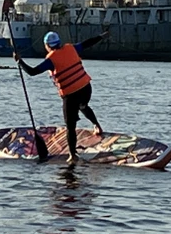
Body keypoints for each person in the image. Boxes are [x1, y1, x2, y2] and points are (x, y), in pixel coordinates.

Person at [14, 30, 109, 163]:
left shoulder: (51, 60)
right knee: (83, 105)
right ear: (59, 43)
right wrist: (101, 36)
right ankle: (97, 125)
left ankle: (72, 155)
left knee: (70, 126)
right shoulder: (71, 48)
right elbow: (87, 43)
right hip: (86, 88)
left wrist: (20, 61)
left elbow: (32, 72)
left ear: (47, 46)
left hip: (70, 94)